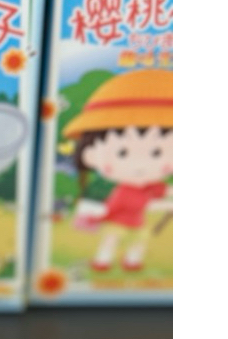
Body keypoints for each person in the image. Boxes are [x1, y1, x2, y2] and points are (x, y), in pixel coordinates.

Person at [64, 69, 173, 272]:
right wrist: (98, 217)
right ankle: (103, 261)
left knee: (139, 241)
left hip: (137, 223)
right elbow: (117, 206)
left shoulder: (151, 186)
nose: (140, 165)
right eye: (122, 153)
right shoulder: (124, 191)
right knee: (111, 240)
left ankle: (132, 261)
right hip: (119, 223)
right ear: (90, 154)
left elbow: (164, 192)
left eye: (157, 153)